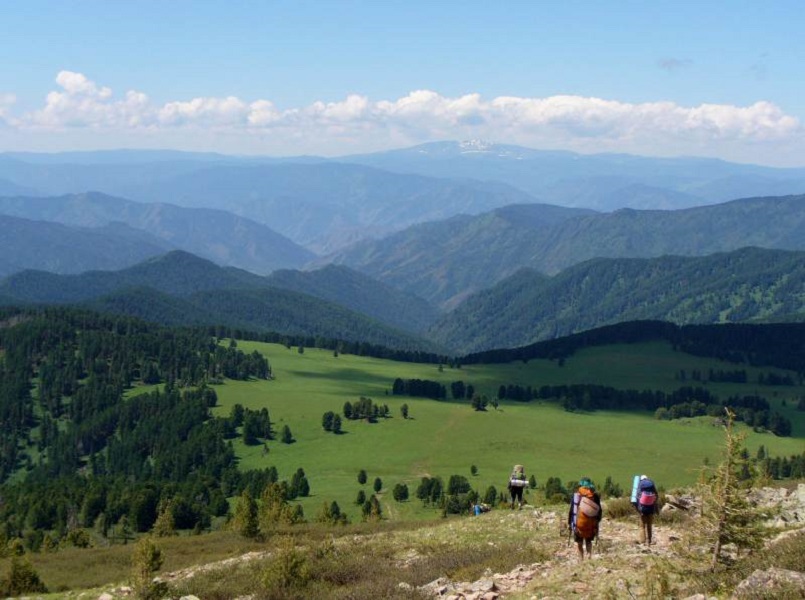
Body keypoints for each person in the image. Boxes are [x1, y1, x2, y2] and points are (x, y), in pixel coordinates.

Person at [567, 477, 602, 560]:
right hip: (591, 524)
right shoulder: (594, 496)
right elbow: (599, 510)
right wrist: (597, 522)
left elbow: (572, 510)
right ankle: (589, 556)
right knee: (588, 541)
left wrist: (569, 523)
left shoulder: (577, 495)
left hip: (578, 524)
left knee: (579, 542)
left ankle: (581, 559)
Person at [632, 474, 659, 545]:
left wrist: (638, 509)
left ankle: (643, 541)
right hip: (651, 508)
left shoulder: (640, 484)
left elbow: (636, 497)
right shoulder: (651, 483)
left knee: (642, 526)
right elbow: (656, 496)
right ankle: (649, 540)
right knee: (649, 525)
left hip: (642, 509)